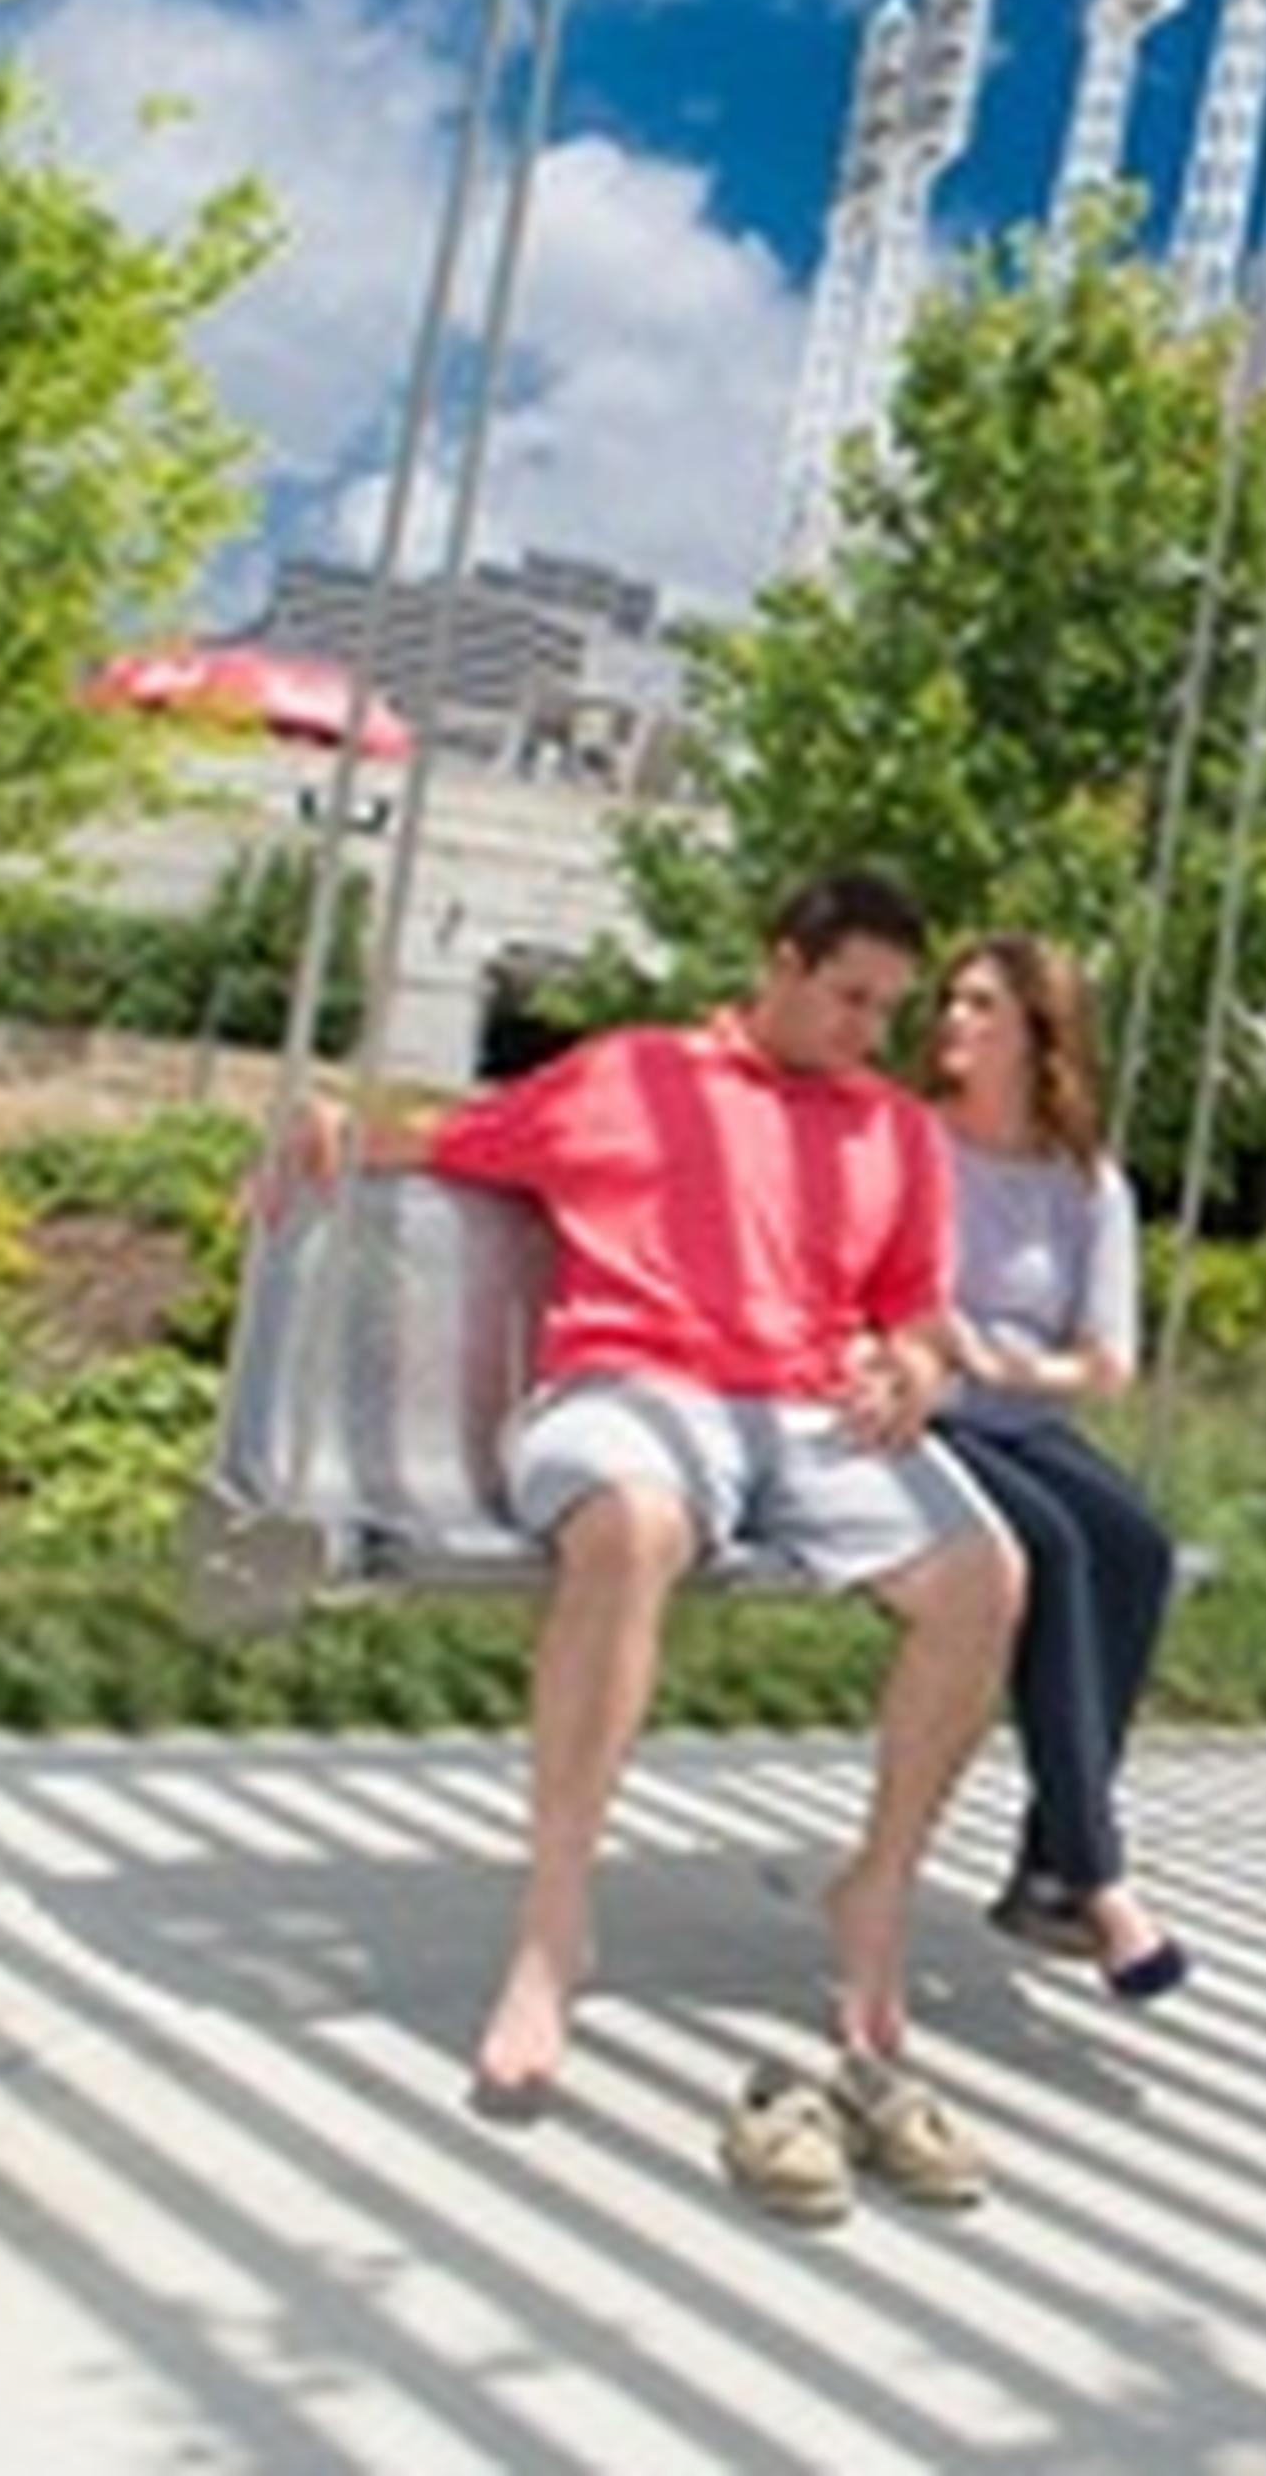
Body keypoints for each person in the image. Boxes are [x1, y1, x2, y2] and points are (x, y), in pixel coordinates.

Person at [285, 870, 1025, 2103]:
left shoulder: (893, 1129)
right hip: (628, 1396)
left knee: (986, 1573)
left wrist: (912, 1365)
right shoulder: (629, 1077)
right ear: (780, 961)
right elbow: (437, 1139)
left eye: (890, 1009)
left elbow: (917, 1313)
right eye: (849, 996)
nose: (869, 1032)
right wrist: (323, 1125)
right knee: (630, 1524)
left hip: (808, 1416)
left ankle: (876, 1884)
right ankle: (554, 1920)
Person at [919, 934, 1190, 2004]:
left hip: (1023, 1415)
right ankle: (1094, 1872)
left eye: (981, 1003)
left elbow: (1109, 1361)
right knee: (1057, 1546)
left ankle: (1047, 1864)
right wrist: (959, 1358)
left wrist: (1007, 1360)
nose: (952, 1017)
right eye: (949, 998)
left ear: (1039, 1032)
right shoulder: (912, 1143)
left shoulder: (1088, 1184)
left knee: (1138, 1545)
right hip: (934, 1416)